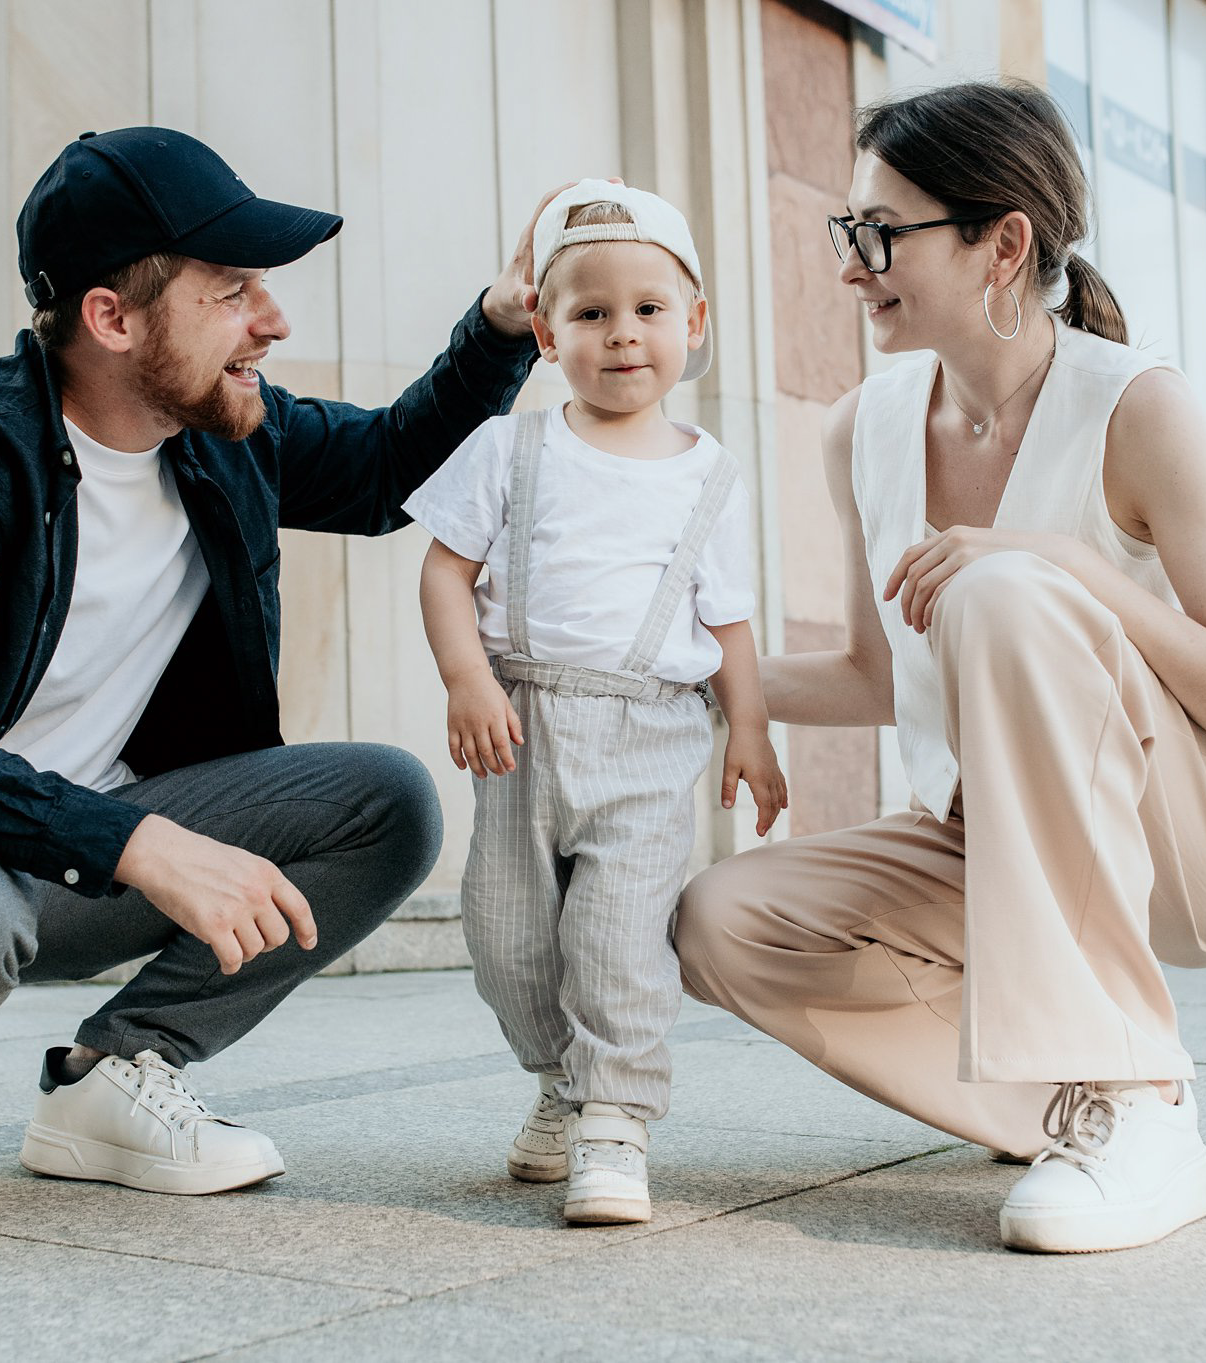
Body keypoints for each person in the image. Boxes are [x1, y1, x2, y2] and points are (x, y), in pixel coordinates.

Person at [0, 127, 555, 1214]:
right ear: (111, 317)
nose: (272, 321)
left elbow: (385, 470)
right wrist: (138, 842)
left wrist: (496, 329)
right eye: (232, 291)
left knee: (386, 802)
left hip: (83, 869)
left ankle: (111, 1078)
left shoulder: (223, 435)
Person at [672, 82, 1206, 1253]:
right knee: (725, 921)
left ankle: (1131, 1095)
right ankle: (1064, 1102)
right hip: (993, 836)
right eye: (845, 232)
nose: (849, 265)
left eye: (879, 234)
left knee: (1008, 586)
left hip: (1201, 835)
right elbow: (879, 681)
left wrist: (1070, 570)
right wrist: (679, 674)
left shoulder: (1135, 408)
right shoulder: (862, 429)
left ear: (1000, 243)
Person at [404, 181, 788, 1226]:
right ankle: (555, 1085)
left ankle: (612, 1119)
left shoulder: (708, 474)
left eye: (649, 310)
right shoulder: (506, 449)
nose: (622, 335)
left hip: (651, 732)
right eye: (590, 313)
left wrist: (747, 728)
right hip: (519, 727)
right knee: (509, 936)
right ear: (543, 330)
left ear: (694, 322)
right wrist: (465, 677)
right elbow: (443, 574)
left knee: (618, 935)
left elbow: (730, 621)